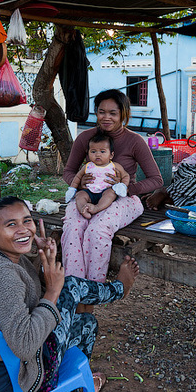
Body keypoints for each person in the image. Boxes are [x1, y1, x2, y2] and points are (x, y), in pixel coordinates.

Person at [0, 197, 139, 392]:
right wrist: (53, 291)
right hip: (20, 374)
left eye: (27, 221)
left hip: (9, 359)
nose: (24, 229)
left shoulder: (4, 258)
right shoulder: (0, 276)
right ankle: (119, 290)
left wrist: (46, 259)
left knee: (87, 324)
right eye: (11, 225)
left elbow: (25, 296)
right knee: (69, 288)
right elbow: (24, 345)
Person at [61, 89, 162, 286]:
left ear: (123, 115)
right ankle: (74, 287)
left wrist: (124, 189)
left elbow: (156, 179)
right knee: (73, 227)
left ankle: (94, 288)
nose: (106, 118)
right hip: (88, 196)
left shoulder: (135, 141)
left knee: (97, 229)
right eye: (101, 112)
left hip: (125, 201)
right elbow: (68, 172)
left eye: (113, 113)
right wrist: (79, 182)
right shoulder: (86, 139)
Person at [65, 131, 131, 220]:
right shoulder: (87, 166)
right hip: (89, 191)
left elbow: (126, 176)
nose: (98, 154)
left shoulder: (115, 166)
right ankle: (83, 209)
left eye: (102, 151)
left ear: (111, 155)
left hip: (106, 190)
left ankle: (97, 208)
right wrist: (72, 188)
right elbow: (77, 177)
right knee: (80, 195)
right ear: (88, 153)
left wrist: (122, 186)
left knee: (111, 194)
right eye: (93, 151)